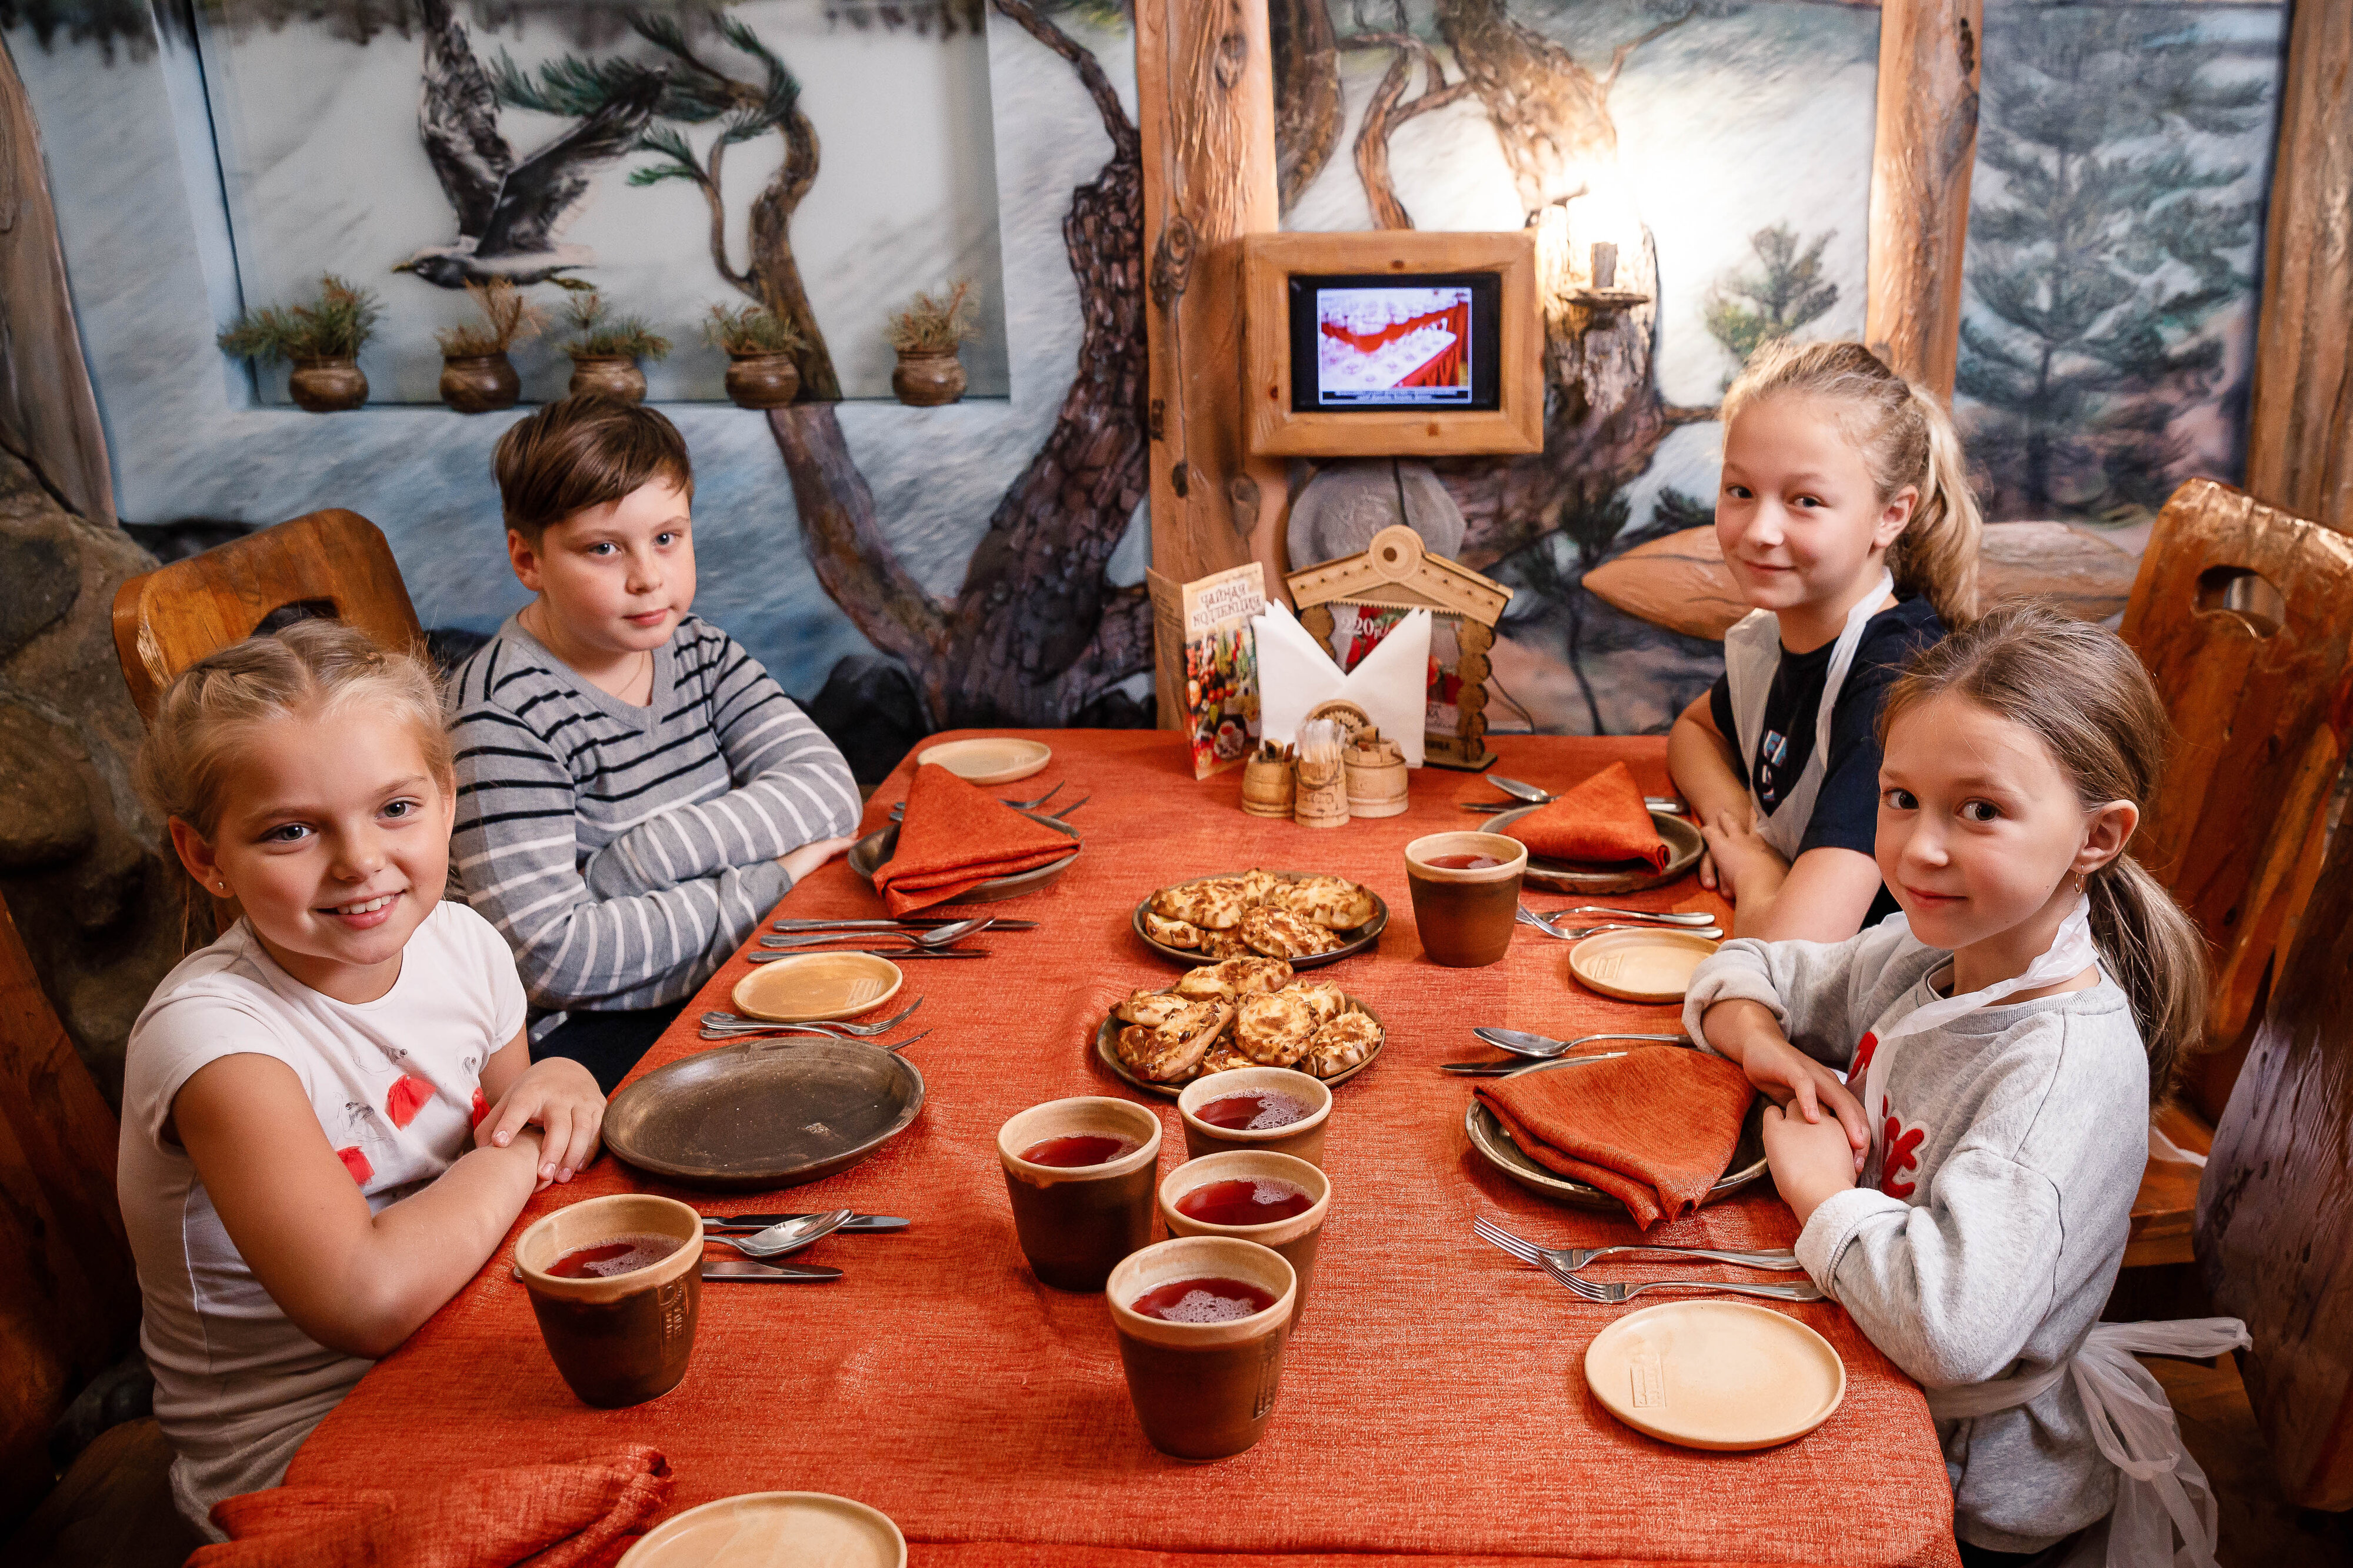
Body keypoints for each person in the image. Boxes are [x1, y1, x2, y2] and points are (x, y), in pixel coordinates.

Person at [1685, 605, 2244, 1566]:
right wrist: (1761, 1042)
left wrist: (1821, 1191)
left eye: (1979, 810)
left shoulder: (2056, 1070)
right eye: (1900, 798)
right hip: (1863, 1339)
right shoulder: (1935, 946)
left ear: (2098, 836)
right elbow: (1748, 970)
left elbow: (1952, 1333)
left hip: (1969, 1489)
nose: (1919, 850)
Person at [118, 621, 606, 1539]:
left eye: (395, 809)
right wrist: (525, 1145)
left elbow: (530, 1122)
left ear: (447, 798)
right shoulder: (217, 1043)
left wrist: (566, 1079)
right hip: (300, 1446)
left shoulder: (462, 944)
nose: (358, 860)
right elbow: (366, 1296)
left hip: (465, 1333)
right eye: (291, 830)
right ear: (204, 855)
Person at [446, 395, 861, 1091]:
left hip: (713, 973)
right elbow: (553, 959)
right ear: (529, 559)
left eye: (667, 538)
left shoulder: (697, 648)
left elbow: (827, 791)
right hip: (580, 1039)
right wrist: (775, 880)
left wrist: (634, 865)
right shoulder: (501, 717)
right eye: (603, 548)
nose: (648, 577)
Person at [1667, 338, 1980, 941]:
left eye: (1804, 501)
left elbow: (1793, 949)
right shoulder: (1782, 631)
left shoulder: (1898, 681)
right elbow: (1694, 731)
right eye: (1739, 491)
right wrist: (1737, 824)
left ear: (1891, 515)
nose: (1759, 530)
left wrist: (1753, 868)